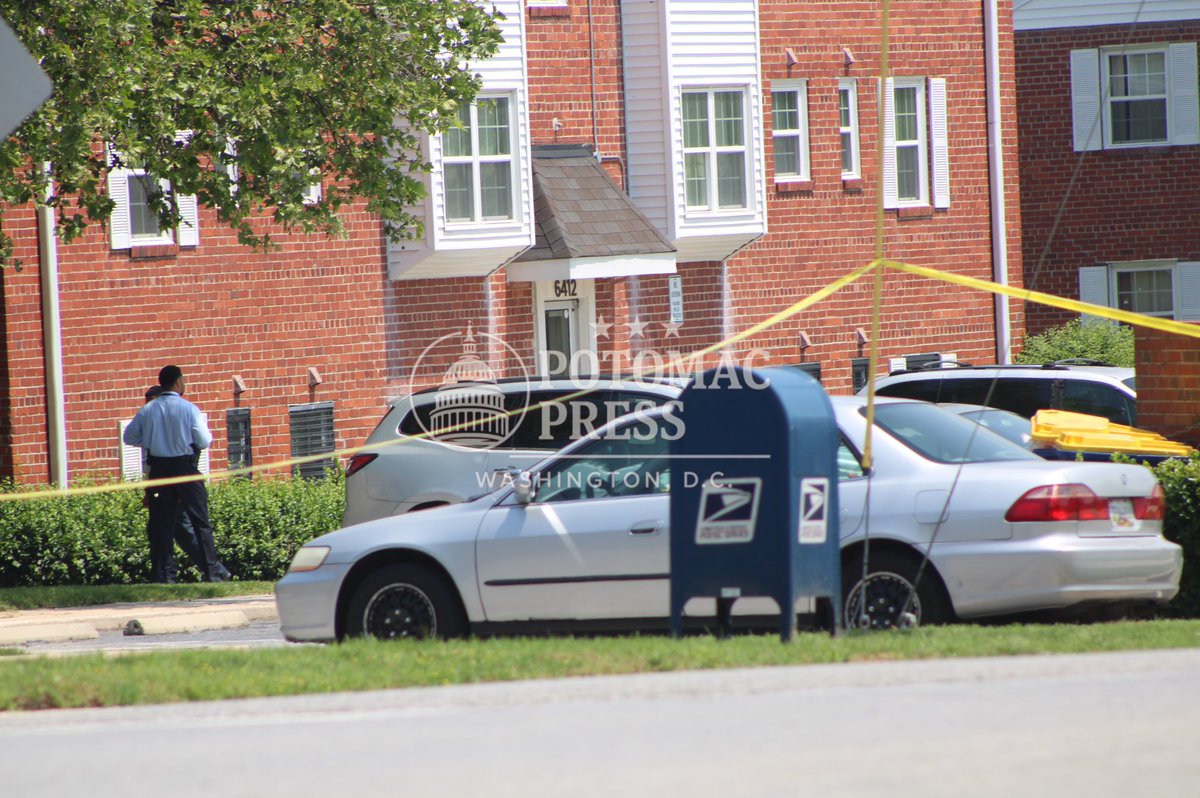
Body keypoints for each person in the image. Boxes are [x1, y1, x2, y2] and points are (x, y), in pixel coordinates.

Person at [124, 365, 229, 583]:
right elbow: (203, 441)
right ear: (178, 382)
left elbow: (129, 437)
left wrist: (153, 439)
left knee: (161, 524)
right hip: (184, 467)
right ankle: (212, 573)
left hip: (159, 470)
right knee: (200, 522)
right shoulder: (188, 408)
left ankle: (164, 575)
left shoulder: (148, 410)